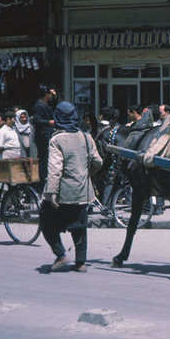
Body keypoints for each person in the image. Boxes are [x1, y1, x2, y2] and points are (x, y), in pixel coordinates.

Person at [41, 101, 103, 273]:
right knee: (79, 226)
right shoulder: (86, 137)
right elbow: (98, 161)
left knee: (46, 222)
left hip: (63, 193)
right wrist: (87, 173)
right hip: (83, 192)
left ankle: (61, 254)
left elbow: (55, 169)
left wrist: (51, 193)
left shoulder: (56, 140)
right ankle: (81, 262)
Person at [32, 85, 57, 190]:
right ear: (46, 94)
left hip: (47, 134)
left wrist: (56, 96)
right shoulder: (39, 105)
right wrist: (49, 122)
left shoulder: (46, 104)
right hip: (43, 136)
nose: (51, 96)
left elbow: (54, 106)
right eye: (50, 94)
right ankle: (40, 184)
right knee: (43, 159)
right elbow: (36, 120)